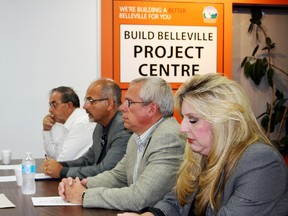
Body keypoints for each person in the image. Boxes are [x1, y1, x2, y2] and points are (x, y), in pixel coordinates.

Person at [118, 73, 288, 216]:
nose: (183, 128)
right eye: (183, 118)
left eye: (193, 120)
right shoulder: (201, 153)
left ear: (225, 122)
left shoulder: (260, 162)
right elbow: (177, 201)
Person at [58, 77, 185, 211]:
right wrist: (81, 184)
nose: (122, 107)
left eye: (129, 102)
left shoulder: (169, 137)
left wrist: (84, 195)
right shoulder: (137, 137)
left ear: (151, 109)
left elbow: (140, 198)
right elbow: (118, 176)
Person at [41, 78, 132, 179]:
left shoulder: (123, 128)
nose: (84, 106)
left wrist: (62, 171)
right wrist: (62, 165)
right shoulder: (100, 126)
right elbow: (88, 159)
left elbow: (105, 170)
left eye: (90, 101)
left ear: (109, 104)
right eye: (86, 101)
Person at [42, 86, 96, 161]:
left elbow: (63, 162)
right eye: (50, 105)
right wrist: (47, 130)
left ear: (69, 105)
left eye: (54, 105)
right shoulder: (69, 123)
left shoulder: (80, 123)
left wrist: (50, 163)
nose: (50, 110)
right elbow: (55, 155)